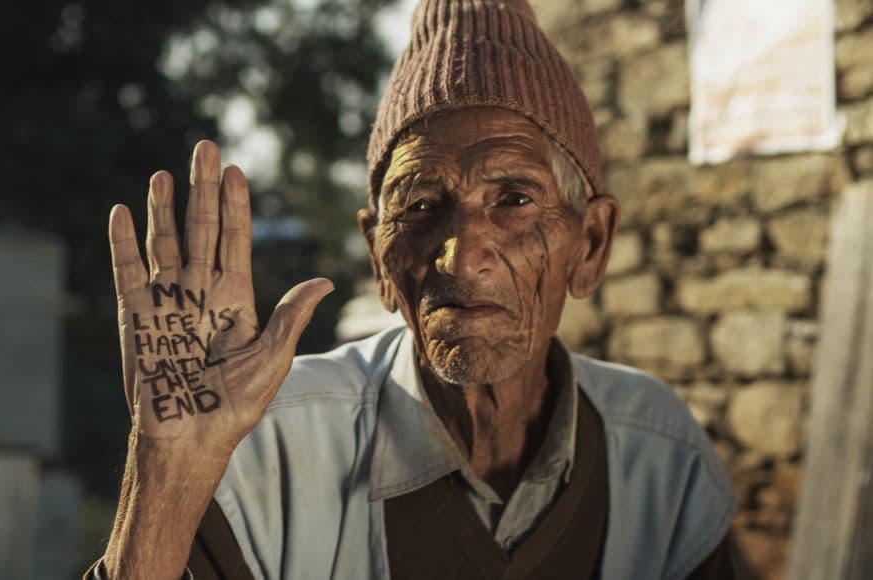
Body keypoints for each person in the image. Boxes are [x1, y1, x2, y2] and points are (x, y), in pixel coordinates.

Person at [88, 0, 741, 577]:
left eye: (513, 199)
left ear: (591, 245)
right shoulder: (265, 449)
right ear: (378, 254)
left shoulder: (660, 455)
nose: (461, 258)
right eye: (422, 206)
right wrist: (167, 472)